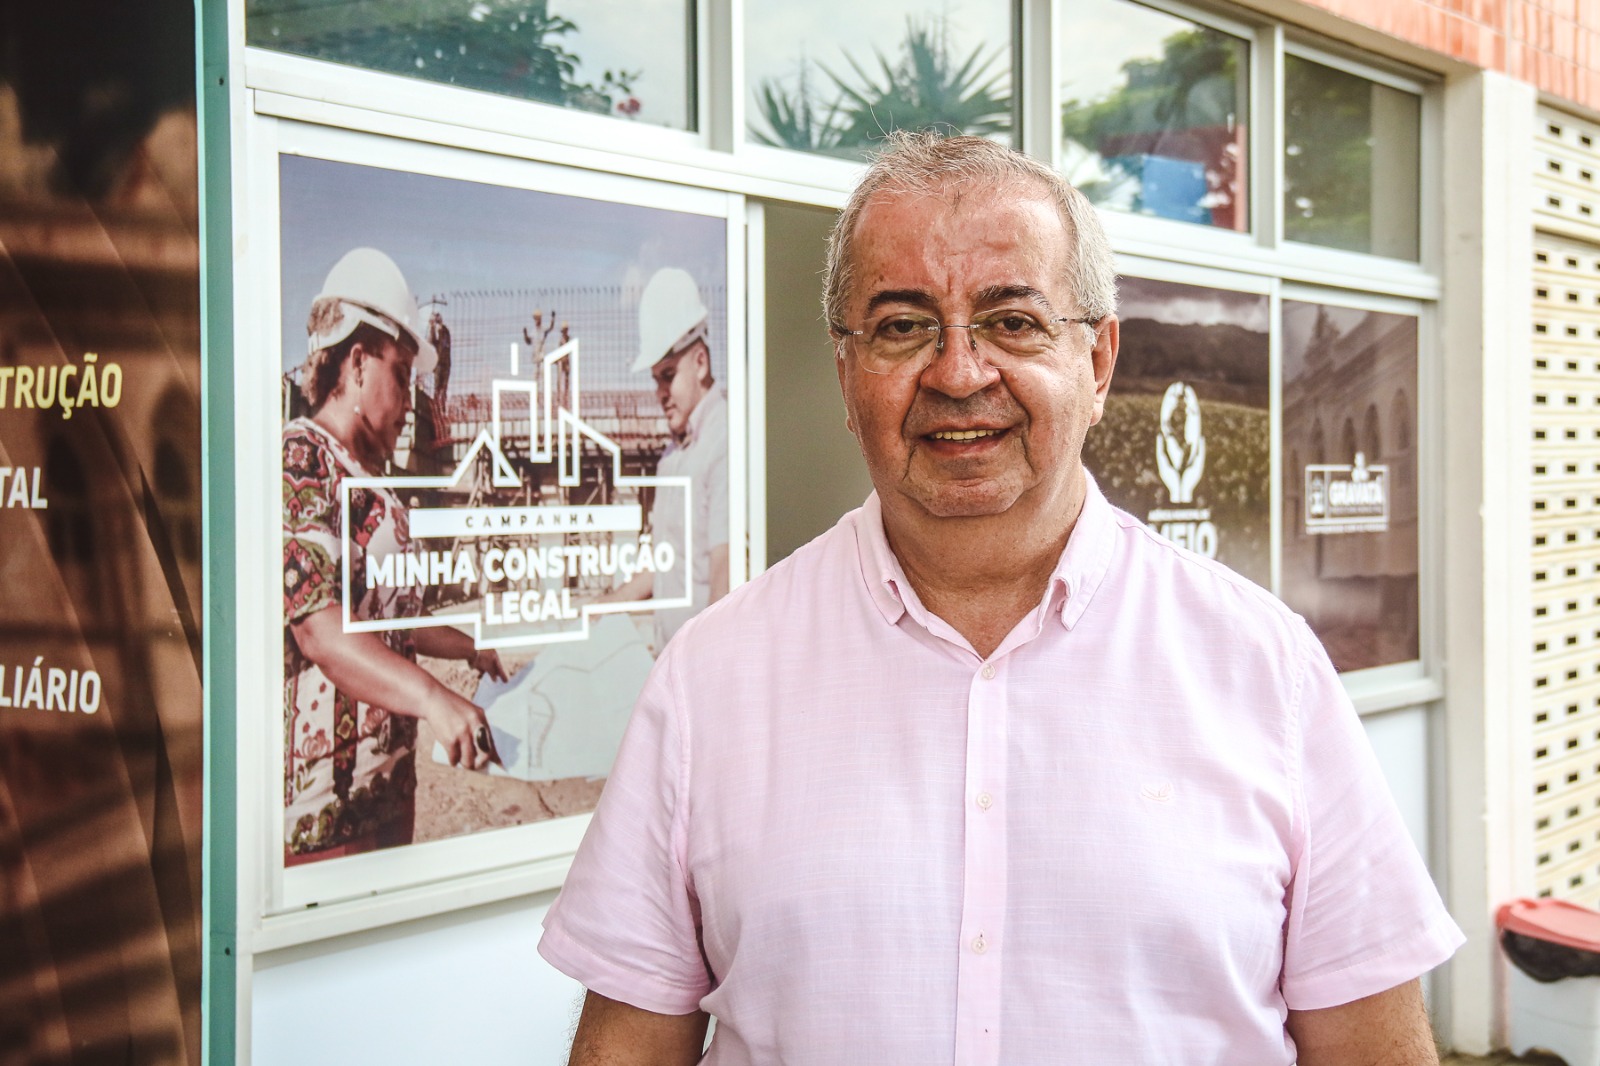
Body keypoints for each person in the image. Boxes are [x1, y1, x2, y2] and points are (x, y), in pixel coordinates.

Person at [538, 134, 1463, 1064]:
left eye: (1013, 321)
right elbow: (628, 1047)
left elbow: (1372, 1048)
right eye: (902, 327)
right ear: (847, 376)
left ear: (1099, 362)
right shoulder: (712, 680)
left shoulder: (1266, 669)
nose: (958, 372)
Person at [282, 247, 505, 864]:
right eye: (402, 375)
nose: (410, 401)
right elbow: (320, 630)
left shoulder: (368, 477)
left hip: (386, 799)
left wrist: (468, 647)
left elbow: (390, 621)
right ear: (357, 363)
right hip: (327, 821)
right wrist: (432, 697)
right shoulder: (303, 458)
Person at [601, 267, 729, 651]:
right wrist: (604, 608)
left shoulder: (724, 442)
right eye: (656, 379)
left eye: (668, 375)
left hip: (700, 666)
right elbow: (666, 563)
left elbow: (725, 572)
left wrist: (706, 665)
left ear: (700, 363)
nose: (660, 392)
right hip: (670, 663)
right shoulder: (672, 457)